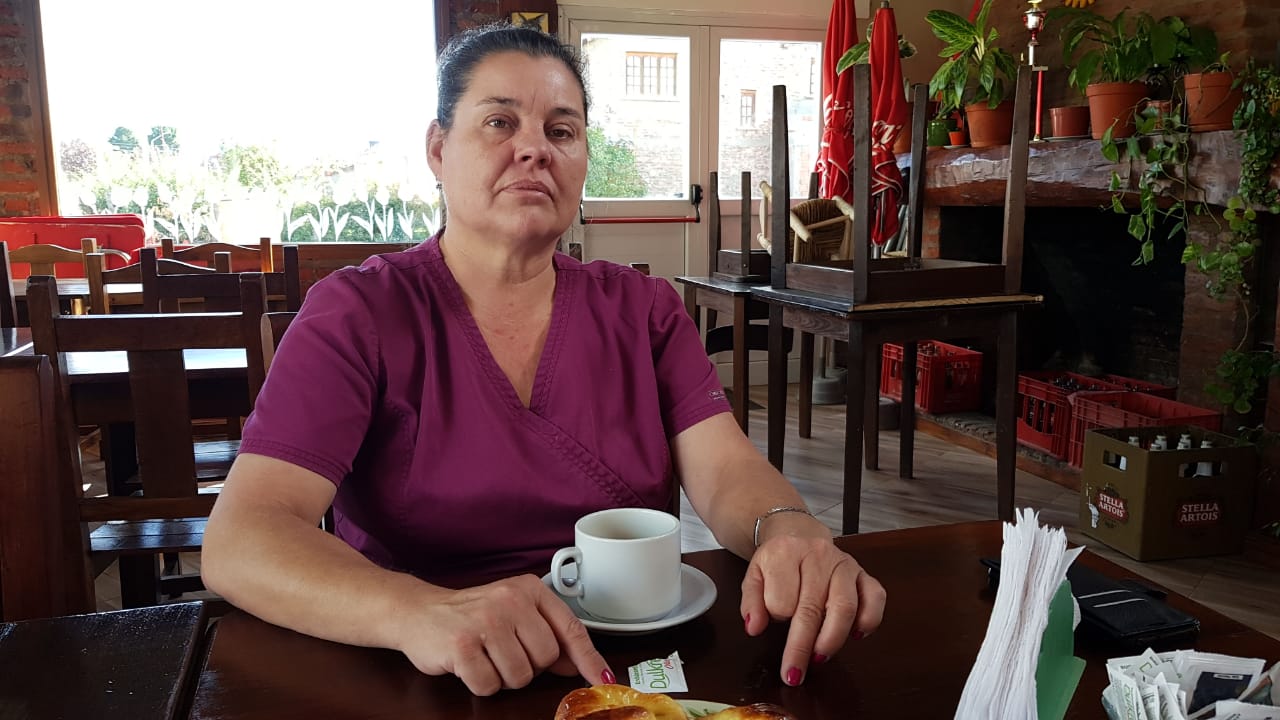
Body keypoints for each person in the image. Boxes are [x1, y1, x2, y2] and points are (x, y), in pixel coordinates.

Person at [202, 23, 885, 697]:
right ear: (438, 149)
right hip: (421, 674)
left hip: (628, 670)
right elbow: (243, 538)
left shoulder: (643, 311)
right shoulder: (358, 312)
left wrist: (787, 527)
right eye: (499, 122)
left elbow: (727, 469)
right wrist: (418, 612)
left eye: (561, 131)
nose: (534, 149)